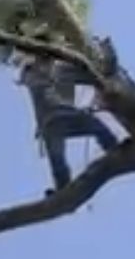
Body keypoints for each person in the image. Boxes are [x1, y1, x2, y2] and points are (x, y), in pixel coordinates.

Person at [19, 57, 118, 192]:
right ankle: (63, 186)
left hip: (66, 116)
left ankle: (113, 148)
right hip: (52, 121)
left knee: (97, 126)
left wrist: (102, 74)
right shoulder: (34, 75)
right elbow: (27, 75)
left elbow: (90, 75)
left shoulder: (61, 72)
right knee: (57, 157)